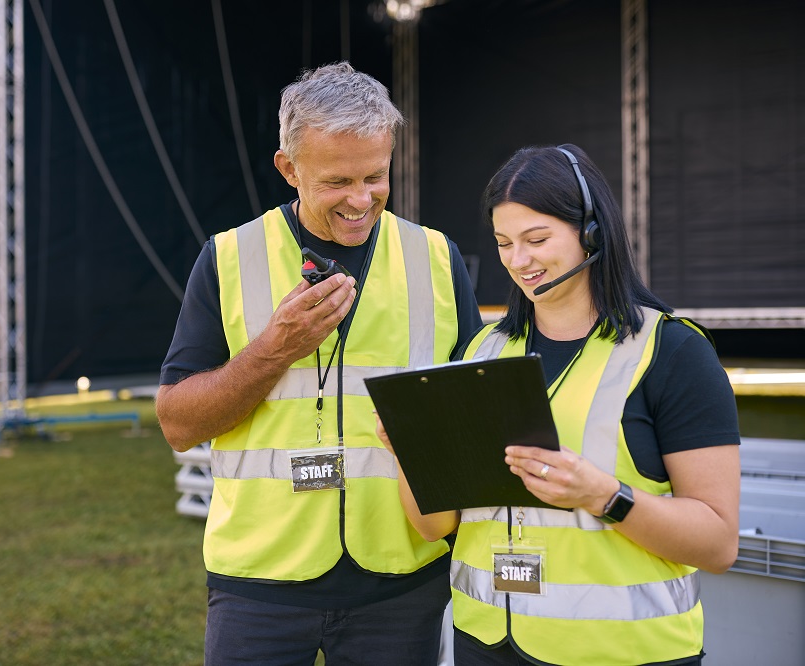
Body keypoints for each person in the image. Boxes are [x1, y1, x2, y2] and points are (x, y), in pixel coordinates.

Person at [156, 61, 482, 665]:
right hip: (259, 581)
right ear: (289, 167)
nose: (362, 200)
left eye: (376, 177)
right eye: (338, 182)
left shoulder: (437, 258)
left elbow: (473, 418)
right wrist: (275, 347)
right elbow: (180, 425)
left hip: (404, 579)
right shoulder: (228, 257)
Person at [377, 144, 741, 666]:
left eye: (537, 239)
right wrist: (410, 453)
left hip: (621, 654)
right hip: (484, 647)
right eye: (504, 243)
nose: (518, 261)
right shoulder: (483, 351)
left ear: (591, 233)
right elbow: (439, 527)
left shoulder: (674, 353)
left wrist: (603, 496)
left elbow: (718, 544)